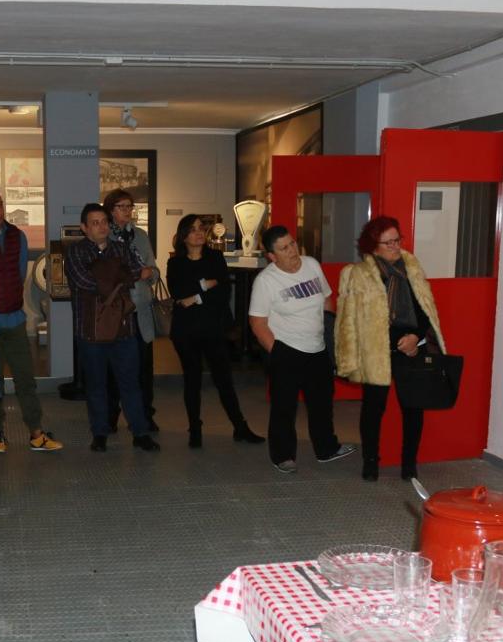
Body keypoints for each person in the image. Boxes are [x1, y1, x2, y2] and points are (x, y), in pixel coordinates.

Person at [336, 216, 444, 482]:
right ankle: (371, 461)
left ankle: (410, 464)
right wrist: (348, 356)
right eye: (389, 242)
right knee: (373, 409)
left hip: (412, 349)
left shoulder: (412, 267)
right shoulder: (357, 274)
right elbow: (349, 319)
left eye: (398, 240)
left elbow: (425, 309)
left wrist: (415, 337)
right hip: (378, 351)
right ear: (373, 247)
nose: (396, 246)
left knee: (413, 408)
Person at [250, 225, 354, 473]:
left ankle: (326, 448)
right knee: (284, 408)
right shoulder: (266, 281)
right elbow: (257, 322)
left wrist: (331, 336)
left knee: (322, 403)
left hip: (317, 349)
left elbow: (327, 299)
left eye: (293, 244)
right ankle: (283, 455)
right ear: (271, 256)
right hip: (287, 350)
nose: (292, 251)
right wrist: (277, 353)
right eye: (284, 248)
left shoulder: (311, 265)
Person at [0, 186, 63, 454]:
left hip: (14, 320)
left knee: (26, 379)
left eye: (0, 204)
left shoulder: (17, 236)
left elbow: (19, 271)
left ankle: (36, 433)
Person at [65, 203, 159, 453]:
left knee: (130, 383)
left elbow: (141, 271)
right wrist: (121, 277)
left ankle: (140, 433)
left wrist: (113, 277)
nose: (102, 226)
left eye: (105, 221)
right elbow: (84, 282)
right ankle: (100, 433)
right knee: (96, 385)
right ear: (84, 228)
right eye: (95, 223)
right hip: (90, 331)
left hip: (123, 329)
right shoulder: (75, 252)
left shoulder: (122, 247)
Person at [166, 214, 263, 448]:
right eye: (193, 229)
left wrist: (195, 295)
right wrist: (205, 285)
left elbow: (222, 295)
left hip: (212, 329)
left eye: (202, 228)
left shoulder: (216, 257)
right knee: (192, 381)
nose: (199, 232)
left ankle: (240, 427)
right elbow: (178, 292)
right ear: (183, 236)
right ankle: (195, 430)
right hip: (185, 332)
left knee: (224, 381)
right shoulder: (175, 262)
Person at [104, 189, 159, 431]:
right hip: (116, 314)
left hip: (141, 312)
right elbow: (109, 277)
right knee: (114, 368)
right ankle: (111, 415)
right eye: (121, 206)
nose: (127, 211)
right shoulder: (104, 238)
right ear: (110, 210)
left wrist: (147, 273)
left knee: (144, 369)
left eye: (129, 206)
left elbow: (154, 271)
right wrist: (138, 273)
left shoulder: (140, 235)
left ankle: (146, 415)